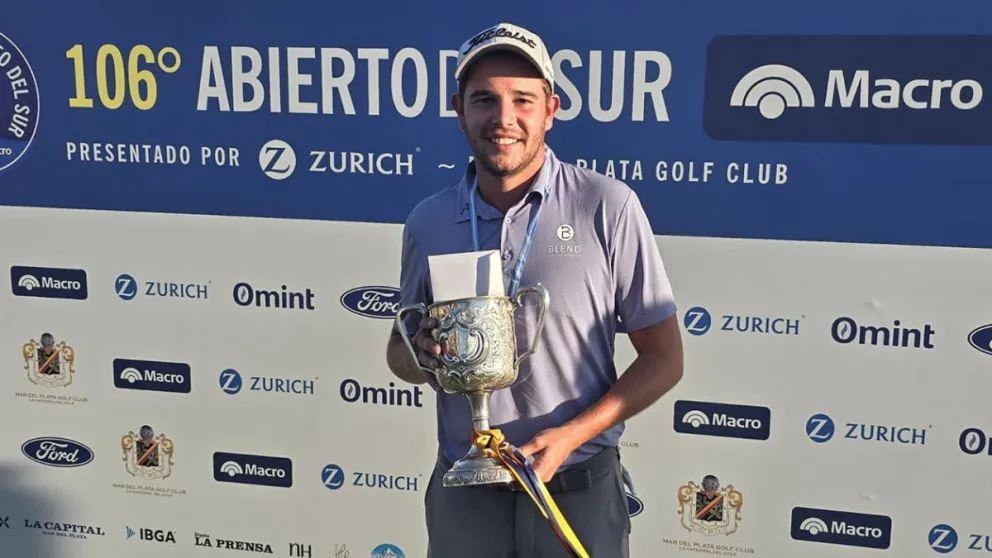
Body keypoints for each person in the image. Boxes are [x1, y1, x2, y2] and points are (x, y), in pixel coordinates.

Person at [385, 21, 685, 558]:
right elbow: (399, 353)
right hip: (466, 493)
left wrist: (571, 434)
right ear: (459, 109)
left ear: (551, 107)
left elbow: (664, 359)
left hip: (575, 491)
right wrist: (425, 356)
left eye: (523, 100)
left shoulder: (606, 206)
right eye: (484, 100)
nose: (503, 119)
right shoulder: (427, 221)